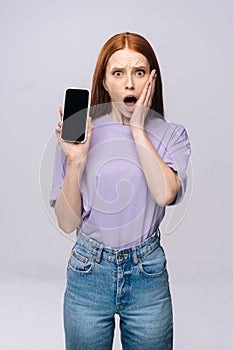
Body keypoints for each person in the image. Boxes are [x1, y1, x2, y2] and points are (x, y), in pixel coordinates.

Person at [50, 32, 191, 350]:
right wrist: (75, 161)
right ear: (104, 81)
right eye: (118, 73)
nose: (129, 84)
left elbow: (165, 194)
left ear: (152, 78)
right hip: (89, 272)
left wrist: (139, 129)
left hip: (147, 274)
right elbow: (66, 223)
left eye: (139, 72)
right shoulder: (81, 135)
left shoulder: (170, 134)